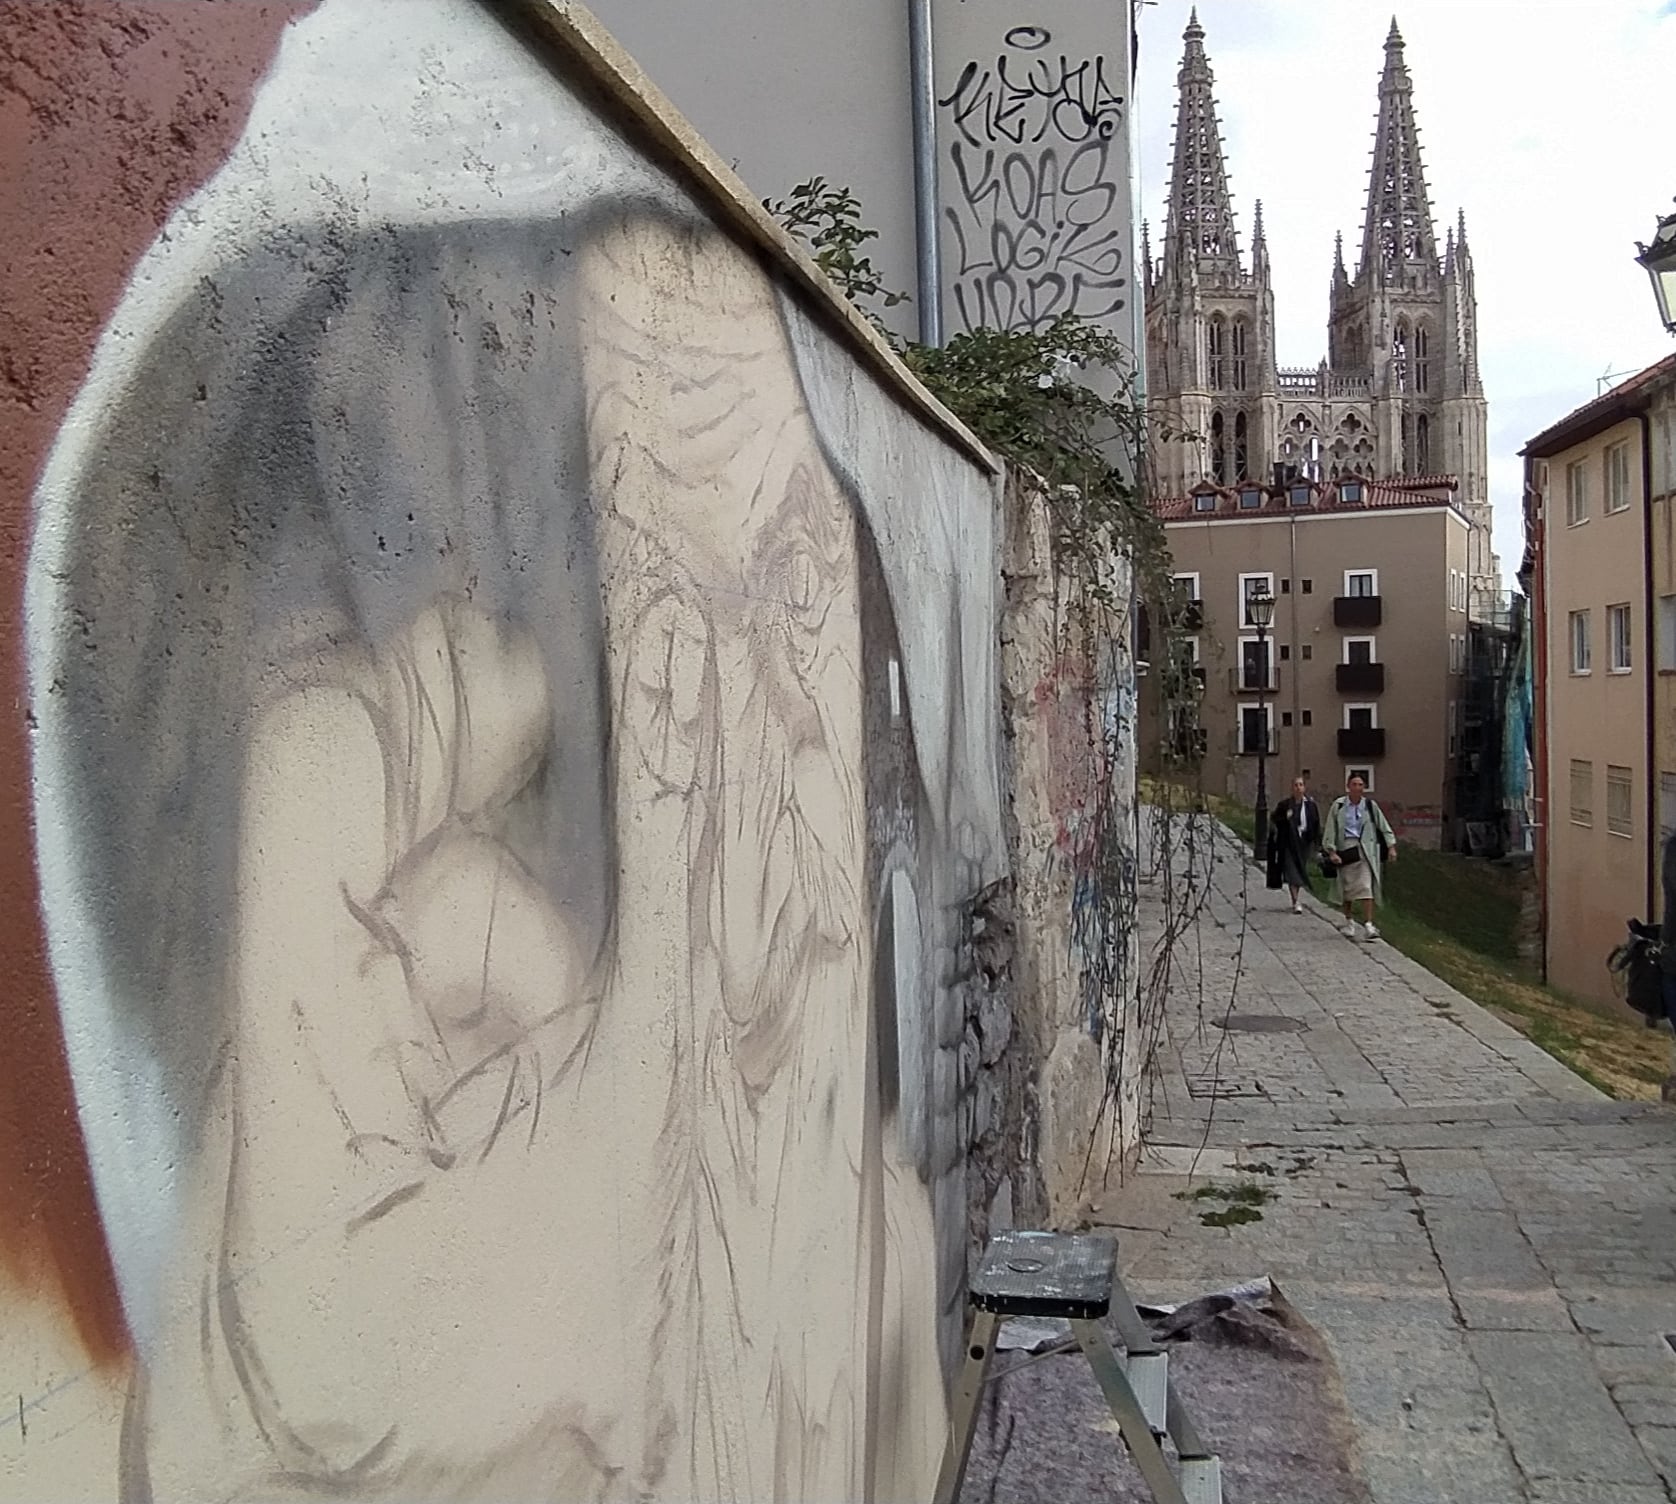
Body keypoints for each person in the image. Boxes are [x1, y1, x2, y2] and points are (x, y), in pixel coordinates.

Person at [1322, 774, 1397, 941]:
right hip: (1346, 849)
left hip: (1365, 849)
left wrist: (1391, 846)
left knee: (1366, 886)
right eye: (1354, 784)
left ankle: (1369, 924)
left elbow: (1383, 826)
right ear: (1348, 786)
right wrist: (1332, 851)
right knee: (1346, 889)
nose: (1357, 788)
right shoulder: (1339, 806)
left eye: (1361, 785)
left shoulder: (1370, 806)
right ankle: (1349, 922)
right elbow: (1330, 829)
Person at [1266, 775, 1322, 914]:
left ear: (1304, 787)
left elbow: (1315, 824)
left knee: (1300, 868)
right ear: (1292, 788)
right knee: (1292, 871)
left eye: (1301, 785)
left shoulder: (1310, 805)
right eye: (1296, 785)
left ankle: (1296, 895)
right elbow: (1274, 818)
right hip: (1289, 842)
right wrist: (1285, 818)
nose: (1298, 788)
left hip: (1304, 842)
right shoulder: (1285, 805)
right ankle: (1295, 900)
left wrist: (1317, 844)